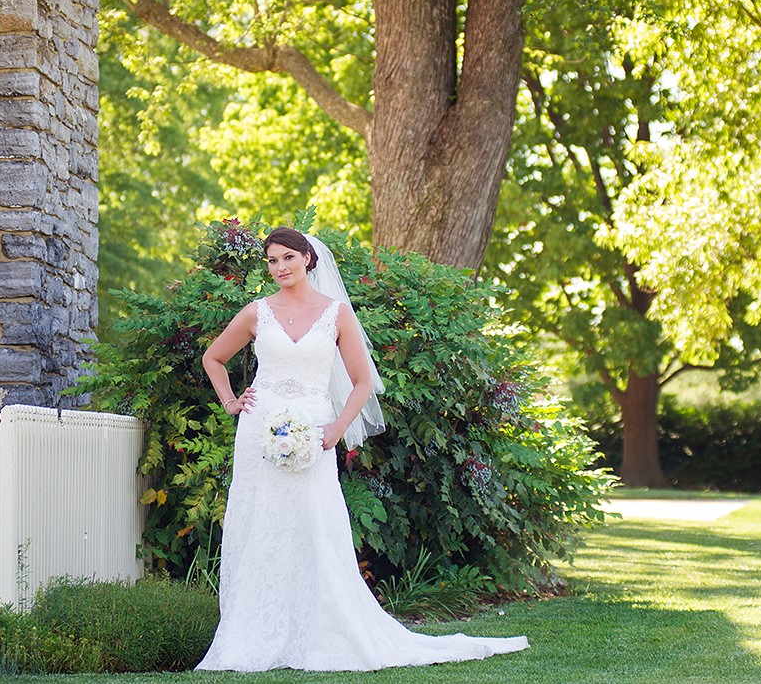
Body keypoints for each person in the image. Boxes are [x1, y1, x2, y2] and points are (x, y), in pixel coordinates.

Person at [195, 227, 529, 672]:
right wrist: (232, 402)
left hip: (314, 434)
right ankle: (254, 632)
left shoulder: (336, 314)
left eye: (288, 258)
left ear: (308, 259)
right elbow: (212, 358)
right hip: (260, 434)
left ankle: (319, 631)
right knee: (260, 525)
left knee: (315, 525)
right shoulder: (257, 312)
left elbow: (363, 382)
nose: (280, 268)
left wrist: (335, 428)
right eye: (272, 261)